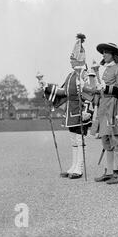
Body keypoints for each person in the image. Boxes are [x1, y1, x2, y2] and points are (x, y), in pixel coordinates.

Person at [39, 34, 94, 179]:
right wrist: (47, 87)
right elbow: (63, 92)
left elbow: (91, 93)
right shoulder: (70, 75)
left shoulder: (86, 75)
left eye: (72, 59)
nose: (70, 62)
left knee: (80, 139)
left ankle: (80, 168)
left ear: (79, 60)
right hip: (71, 112)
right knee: (73, 140)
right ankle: (73, 166)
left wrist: (87, 111)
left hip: (81, 112)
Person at [93, 42, 118, 184]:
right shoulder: (104, 69)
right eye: (103, 52)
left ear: (113, 54)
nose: (104, 55)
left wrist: (106, 88)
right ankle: (108, 171)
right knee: (105, 139)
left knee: (116, 139)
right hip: (103, 106)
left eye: (106, 52)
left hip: (113, 106)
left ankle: (117, 173)